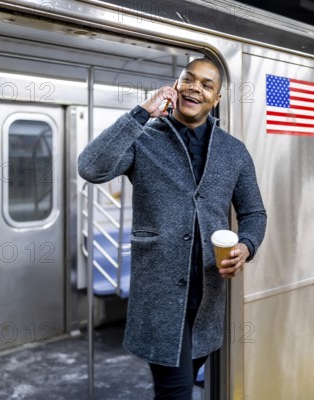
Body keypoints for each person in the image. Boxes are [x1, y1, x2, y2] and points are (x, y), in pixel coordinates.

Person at [78, 58, 267, 399]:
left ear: (217, 98)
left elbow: (254, 213)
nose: (196, 87)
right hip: (160, 297)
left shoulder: (234, 151)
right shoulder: (143, 139)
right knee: (177, 391)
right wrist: (141, 113)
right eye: (189, 80)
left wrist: (247, 245)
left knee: (180, 385)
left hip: (208, 298)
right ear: (176, 87)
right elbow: (91, 167)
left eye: (207, 84)